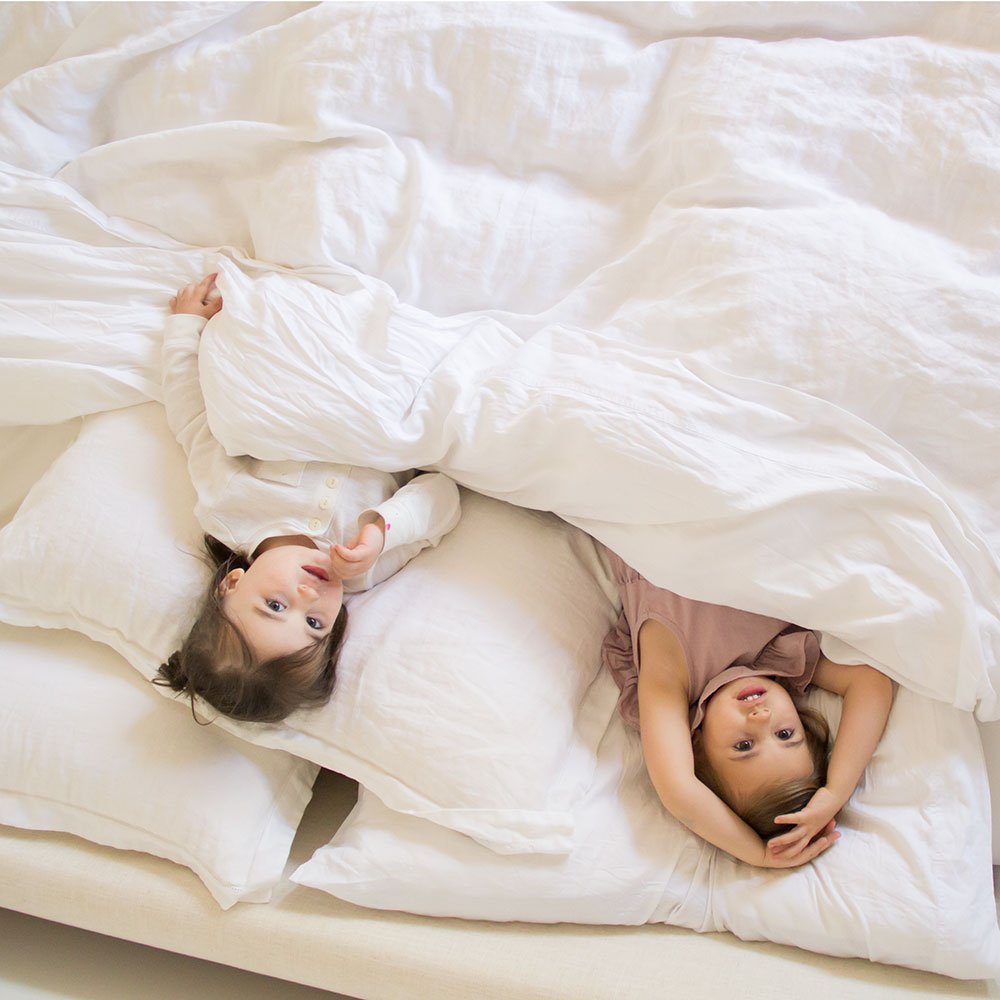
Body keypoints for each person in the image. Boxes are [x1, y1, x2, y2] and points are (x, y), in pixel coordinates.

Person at [156, 273, 462, 723]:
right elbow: (444, 495)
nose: (309, 596)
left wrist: (184, 328)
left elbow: (192, 420)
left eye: (276, 606)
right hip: (401, 384)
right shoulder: (365, 565)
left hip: (315, 361)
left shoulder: (228, 507)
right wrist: (381, 531)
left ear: (232, 584)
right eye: (315, 625)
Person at [601, 547, 893, 868]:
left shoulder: (672, 676)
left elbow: (678, 790)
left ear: (695, 748)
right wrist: (836, 791)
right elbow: (871, 684)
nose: (761, 718)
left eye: (744, 745)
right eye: (784, 733)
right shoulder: (780, 652)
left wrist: (758, 854)